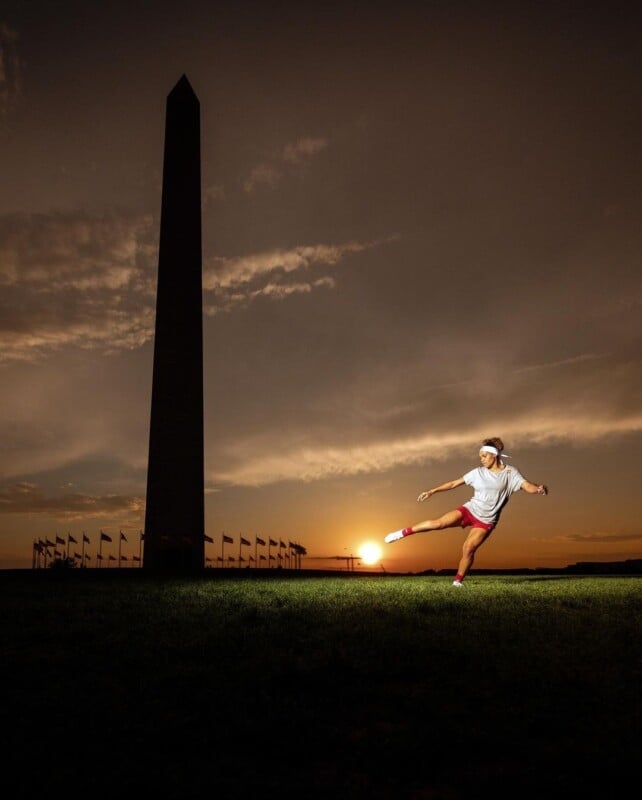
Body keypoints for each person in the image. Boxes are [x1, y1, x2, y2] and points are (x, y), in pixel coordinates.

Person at [384, 437, 548, 586]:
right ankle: (401, 533)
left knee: (468, 548)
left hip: (487, 521)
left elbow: (526, 485)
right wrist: (432, 491)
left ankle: (457, 582)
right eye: (480, 457)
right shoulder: (477, 473)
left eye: (484, 456)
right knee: (438, 523)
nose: (481, 459)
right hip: (470, 510)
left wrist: (538, 489)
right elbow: (454, 484)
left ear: (494, 455)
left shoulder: (510, 473)